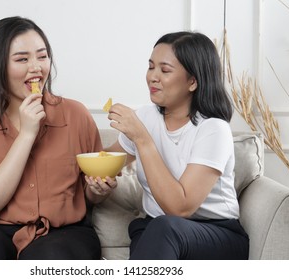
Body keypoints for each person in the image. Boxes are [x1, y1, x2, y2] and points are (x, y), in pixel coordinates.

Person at [0, 16, 117, 260]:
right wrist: (26, 134)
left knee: (50, 257)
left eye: (42, 56)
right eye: (22, 59)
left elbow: (87, 195)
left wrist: (98, 191)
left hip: (62, 232)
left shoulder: (75, 115)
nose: (36, 67)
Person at [87, 31, 249, 259]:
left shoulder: (213, 130)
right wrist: (96, 188)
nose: (153, 77)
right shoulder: (145, 117)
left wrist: (143, 139)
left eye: (164, 70)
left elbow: (180, 208)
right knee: (152, 229)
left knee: (164, 228)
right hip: (156, 230)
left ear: (192, 81)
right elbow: (99, 169)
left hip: (215, 233)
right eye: (151, 67)